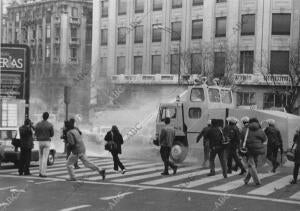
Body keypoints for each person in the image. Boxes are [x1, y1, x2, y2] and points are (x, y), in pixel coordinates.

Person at [241, 118, 267, 185]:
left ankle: (257, 181)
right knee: (252, 164)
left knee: (251, 165)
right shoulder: (260, 130)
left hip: (248, 149)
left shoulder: (245, 129)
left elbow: (241, 138)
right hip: (257, 149)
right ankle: (246, 180)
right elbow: (264, 139)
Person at [34, 112, 54, 177]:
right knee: (45, 158)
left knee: (41, 157)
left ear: (42, 116)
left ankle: (40, 172)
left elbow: (35, 133)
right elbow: (52, 134)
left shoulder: (38, 124)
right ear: (47, 117)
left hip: (40, 142)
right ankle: (43, 173)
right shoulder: (50, 125)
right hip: (47, 141)